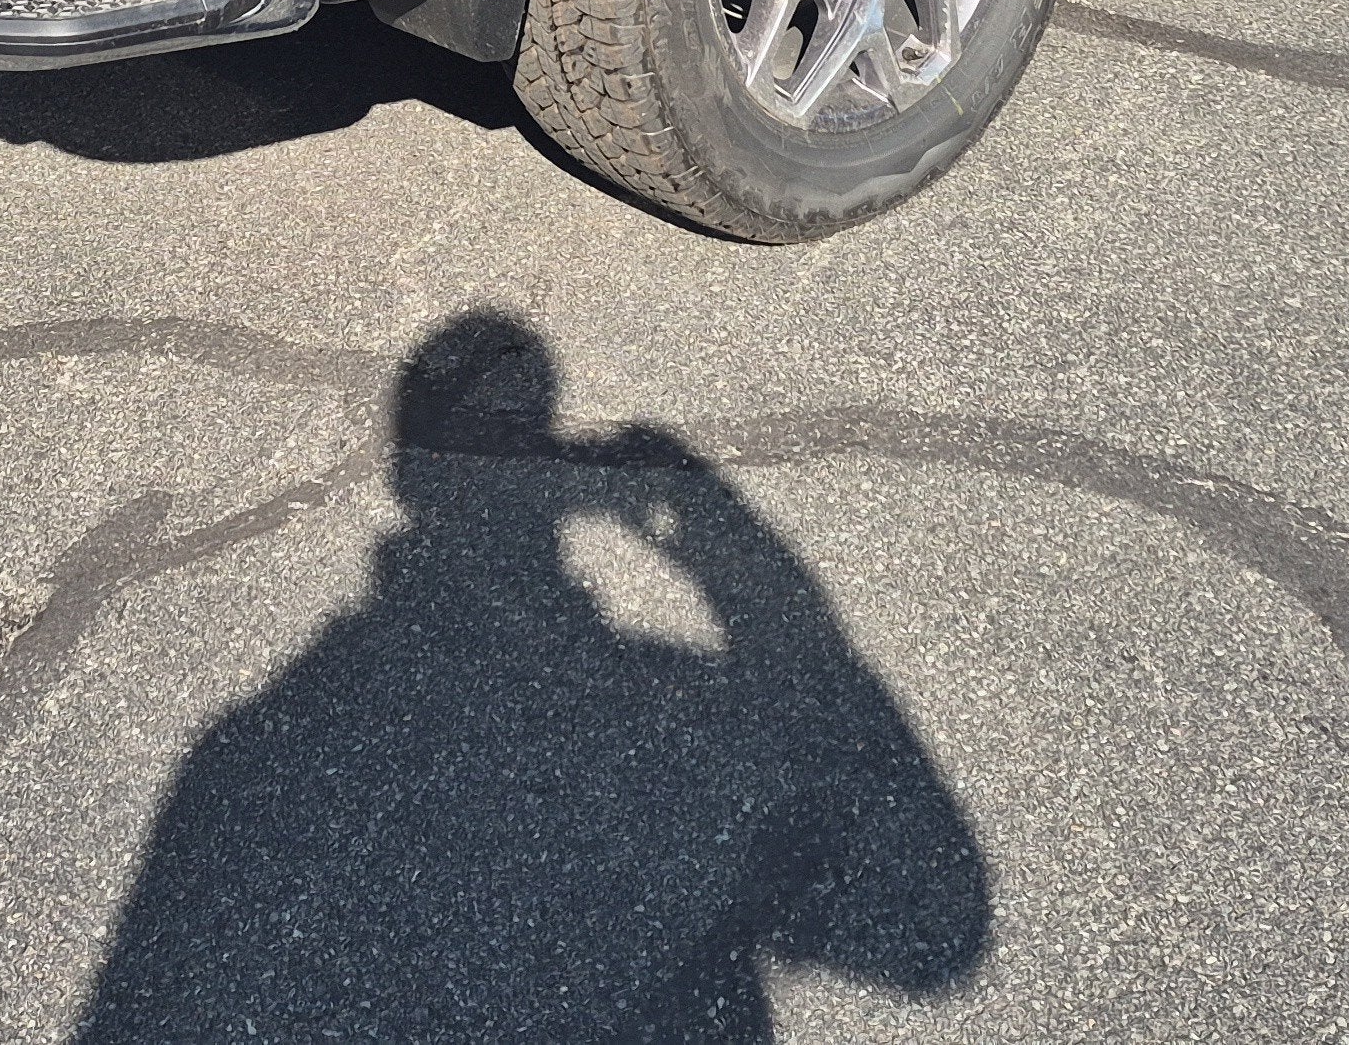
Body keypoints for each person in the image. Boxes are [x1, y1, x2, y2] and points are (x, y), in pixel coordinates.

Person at [71, 313, 990, 1042]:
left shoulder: (244, 743)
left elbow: (936, 941)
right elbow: (938, 942)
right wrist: (702, 535)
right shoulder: (252, 742)